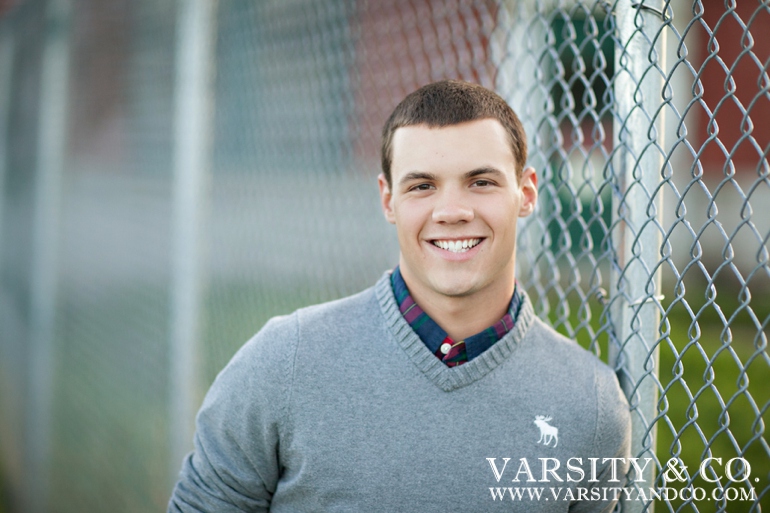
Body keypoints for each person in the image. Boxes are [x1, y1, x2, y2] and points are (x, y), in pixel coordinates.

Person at [168, 80, 632, 512]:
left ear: (526, 193)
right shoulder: (284, 362)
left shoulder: (589, 403)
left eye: (482, 181)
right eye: (422, 186)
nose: (451, 211)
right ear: (388, 200)